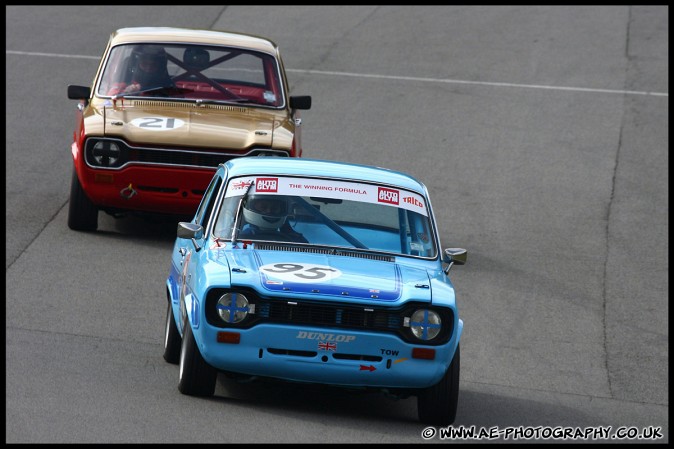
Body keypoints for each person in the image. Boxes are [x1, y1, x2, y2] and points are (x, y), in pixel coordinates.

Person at [108, 45, 174, 95]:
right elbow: (110, 98)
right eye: (144, 64)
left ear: (160, 66)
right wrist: (126, 92)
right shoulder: (121, 85)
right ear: (136, 64)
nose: (148, 68)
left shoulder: (171, 87)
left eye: (153, 65)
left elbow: (181, 95)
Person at [239, 195, 307, 243]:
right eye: (263, 207)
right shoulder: (238, 240)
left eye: (275, 208)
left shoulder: (296, 240)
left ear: (282, 210)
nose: (269, 211)